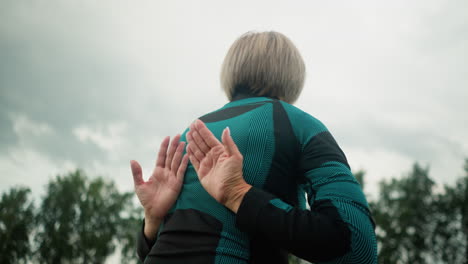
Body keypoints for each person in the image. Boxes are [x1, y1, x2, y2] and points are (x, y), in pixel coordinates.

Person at [131, 31, 377, 263]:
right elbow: (358, 248)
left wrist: (151, 226)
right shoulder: (298, 124)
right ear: (294, 76)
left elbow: (167, 252)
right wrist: (239, 194)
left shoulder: (193, 133)